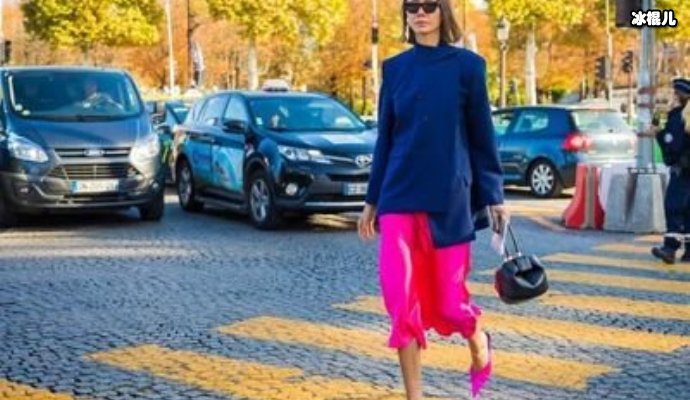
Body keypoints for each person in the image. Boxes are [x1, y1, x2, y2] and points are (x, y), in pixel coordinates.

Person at [357, 1, 509, 399]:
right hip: (398, 195)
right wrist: (372, 200)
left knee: (449, 305)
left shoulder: (468, 67)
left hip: (449, 198)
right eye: (412, 6)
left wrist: (493, 195)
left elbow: (482, 135)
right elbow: (386, 138)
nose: (420, 12)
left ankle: (478, 339)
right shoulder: (394, 69)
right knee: (400, 300)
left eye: (428, 5)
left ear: (443, 11)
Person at [644, 78, 690, 264]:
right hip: (684, 168)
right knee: (688, 210)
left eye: (675, 93)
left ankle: (670, 248)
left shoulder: (679, 116)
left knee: (674, 206)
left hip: (683, 169)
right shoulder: (678, 114)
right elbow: (657, 130)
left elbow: (671, 142)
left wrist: (659, 133)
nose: (673, 96)